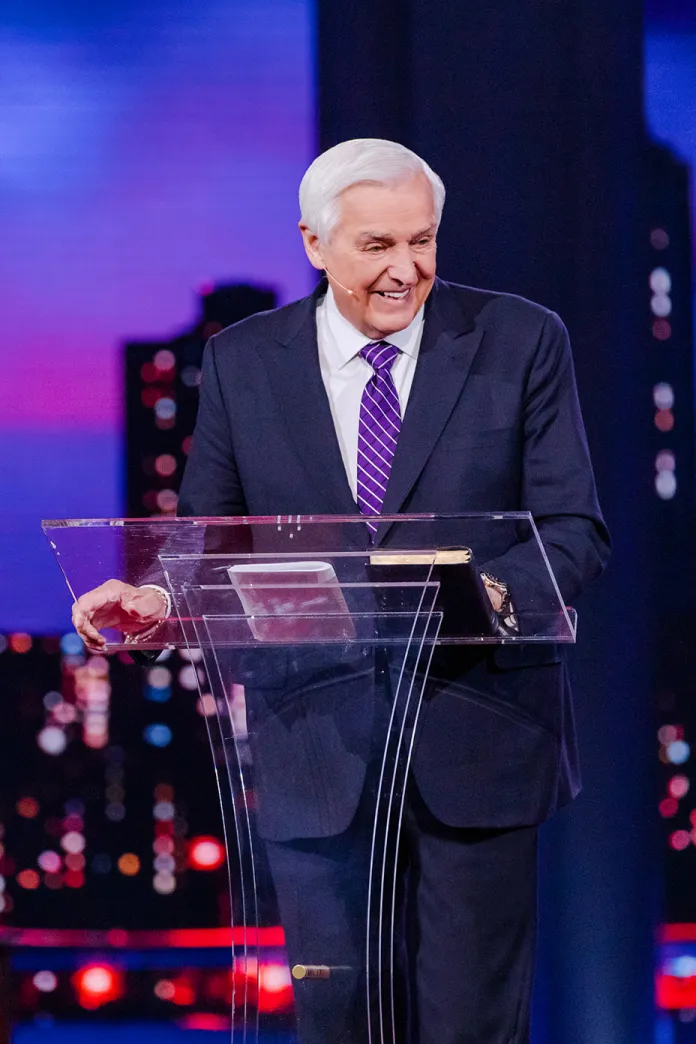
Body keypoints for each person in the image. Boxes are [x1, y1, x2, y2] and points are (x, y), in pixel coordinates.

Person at [73, 138, 610, 1044]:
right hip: (314, 746)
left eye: (423, 241)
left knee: (469, 1027)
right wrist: (160, 600)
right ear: (315, 245)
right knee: (337, 1024)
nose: (407, 270)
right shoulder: (244, 361)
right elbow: (206, 535)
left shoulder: (519, 339)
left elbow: (574, 532)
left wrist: (487, 602)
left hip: (476, 741)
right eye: (377, 247)